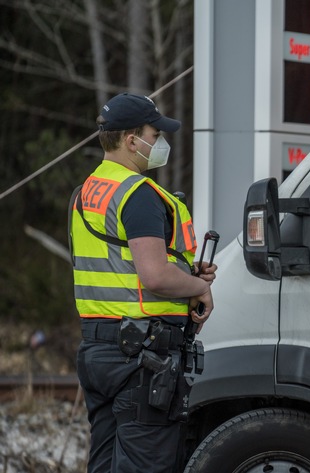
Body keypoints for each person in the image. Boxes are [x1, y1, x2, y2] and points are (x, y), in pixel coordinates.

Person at [69, 93, 216, 473]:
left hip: (97, 351)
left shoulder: (85, 192)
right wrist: (198, 287)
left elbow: (119, 265)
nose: (161, 141)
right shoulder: (138, 194)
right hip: (138, 356)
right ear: (132, 140)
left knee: (103, 464)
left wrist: (185, 272)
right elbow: (153, 276)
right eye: (155, 133)